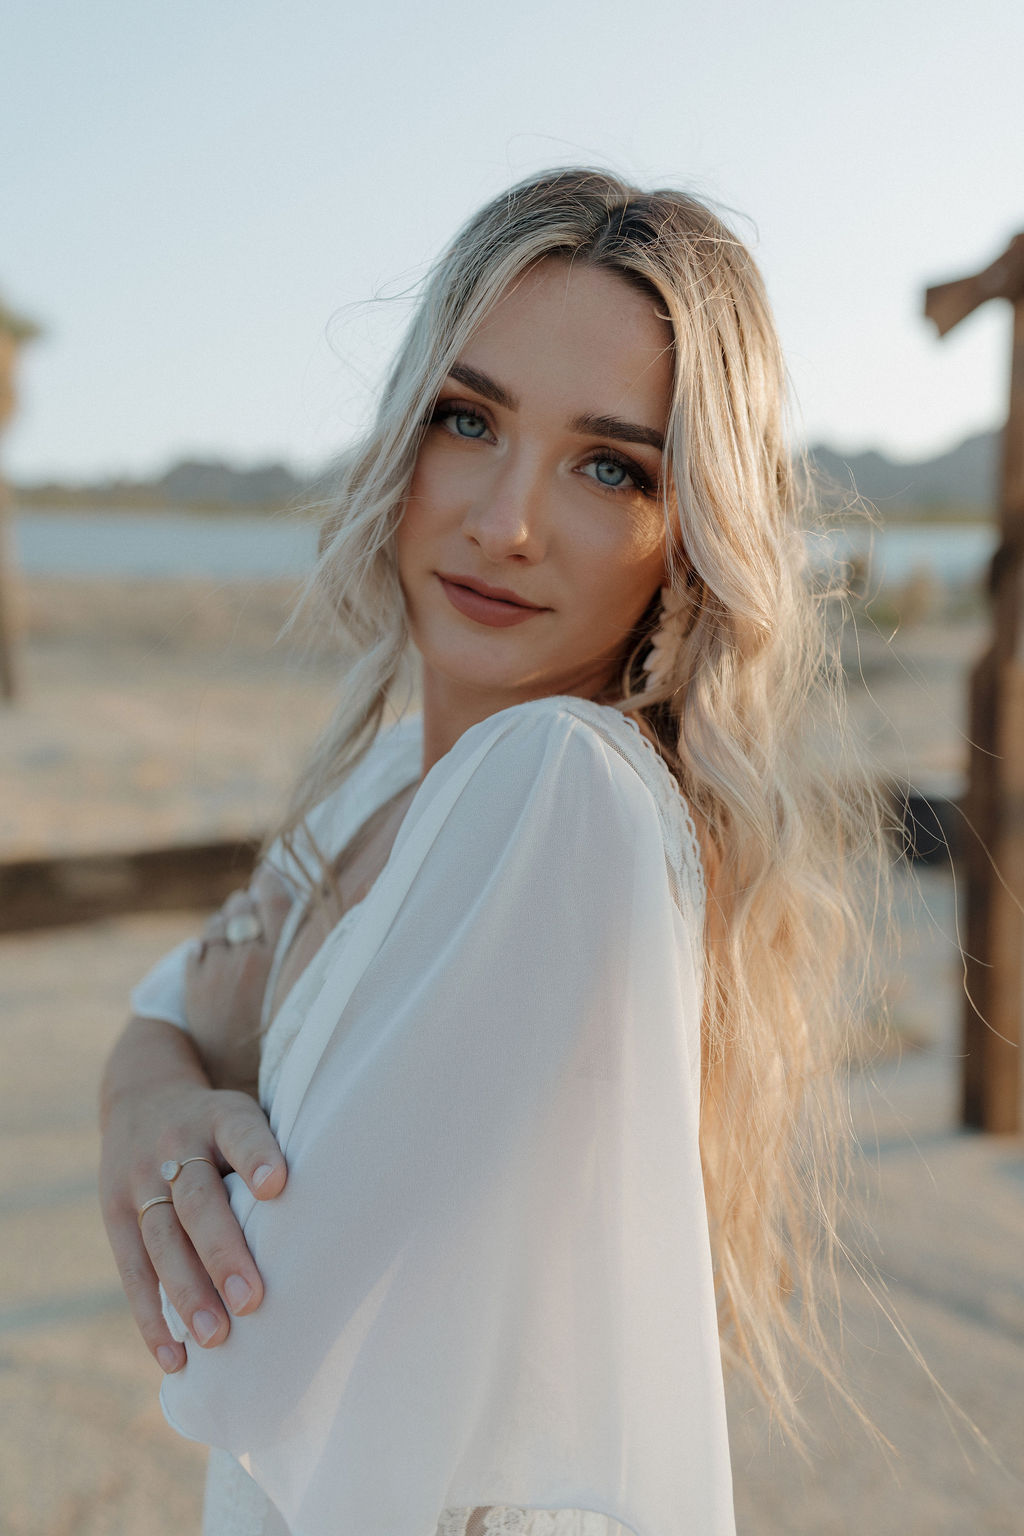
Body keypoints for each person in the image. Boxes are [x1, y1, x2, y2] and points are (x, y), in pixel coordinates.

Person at [99, 168, 886, 1536]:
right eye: (470, 420)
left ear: (688, 540)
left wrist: (193, 1075)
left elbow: (245, 1349)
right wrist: (157, 1100)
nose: (503, 522)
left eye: (608, 466)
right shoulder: (387, 787)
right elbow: (165, 1009)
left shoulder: (557, 790)